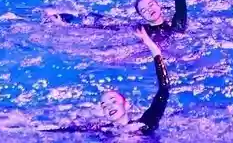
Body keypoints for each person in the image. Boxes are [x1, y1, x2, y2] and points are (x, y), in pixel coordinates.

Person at [42, 30, 170, 135]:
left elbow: (164, 89)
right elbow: (65, 130)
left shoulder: (145, 124)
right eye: (104, 106)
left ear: (127, 105)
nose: (109, 107)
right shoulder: (103, 131)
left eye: (113, 101)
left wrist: (151, 46)